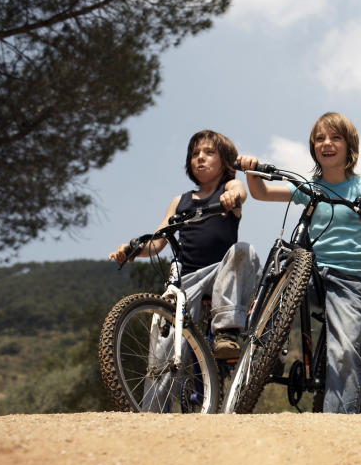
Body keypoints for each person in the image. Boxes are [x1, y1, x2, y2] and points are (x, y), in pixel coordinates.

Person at [237, 112, 361, 414]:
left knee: (343, 351)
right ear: (313, 147)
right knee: (278, 278)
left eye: (335, 137)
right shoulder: (310, 186)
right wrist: (251, 171)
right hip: (307, 273)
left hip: (347, 279)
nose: (327, 143)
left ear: (349, 147)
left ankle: (338, 419)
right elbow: (261, 193)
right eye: (320, 138)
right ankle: (268, 349)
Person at [109, 130, 261, 410]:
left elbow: (240, 193)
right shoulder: (180, 201)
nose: (200, 158)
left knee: (243, 252)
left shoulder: (229, 188)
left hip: (221, 274)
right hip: (185, 279)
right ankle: (152, 412)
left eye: (209, 153)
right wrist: (131, 250)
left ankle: (226, 332)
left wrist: (233, 198)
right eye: (195, 154)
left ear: (225, 161)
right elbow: (157, 241)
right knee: (163, 347)